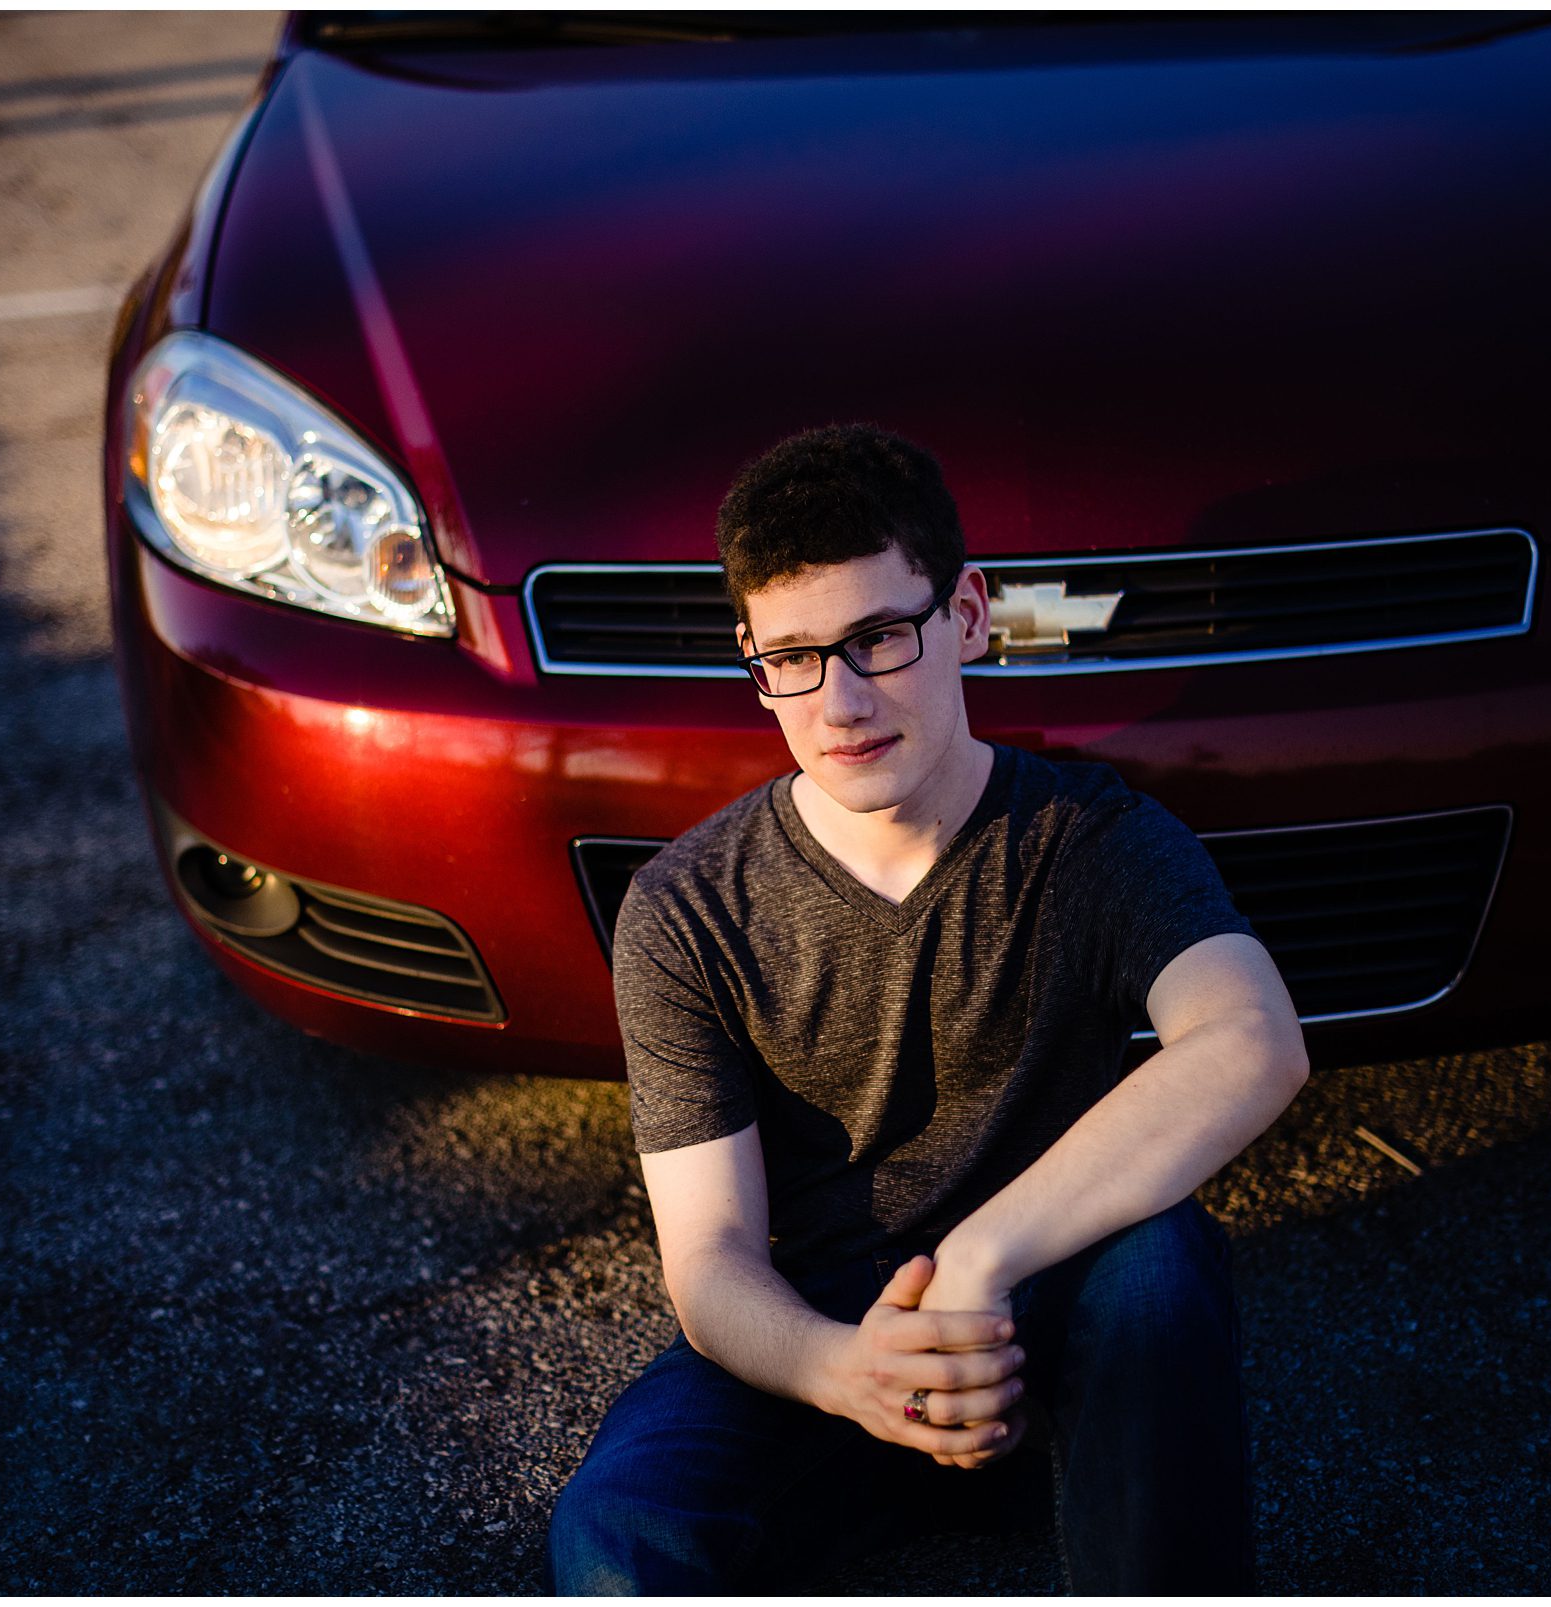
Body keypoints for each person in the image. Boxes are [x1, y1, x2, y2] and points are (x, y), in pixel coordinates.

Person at [546, 424, 1309, 1595]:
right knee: (616, 1531)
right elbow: (710, 1262)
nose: (841, 700)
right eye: (794, 655)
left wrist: (977, 1262)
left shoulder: (1089, 841)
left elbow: (1253, 1039)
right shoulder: (686, 907)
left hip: (1051, 1295)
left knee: (1159, 1264)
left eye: (878, 637)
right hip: (827, 1335)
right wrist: (848, 1367)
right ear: (751, 656)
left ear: (964, 616)